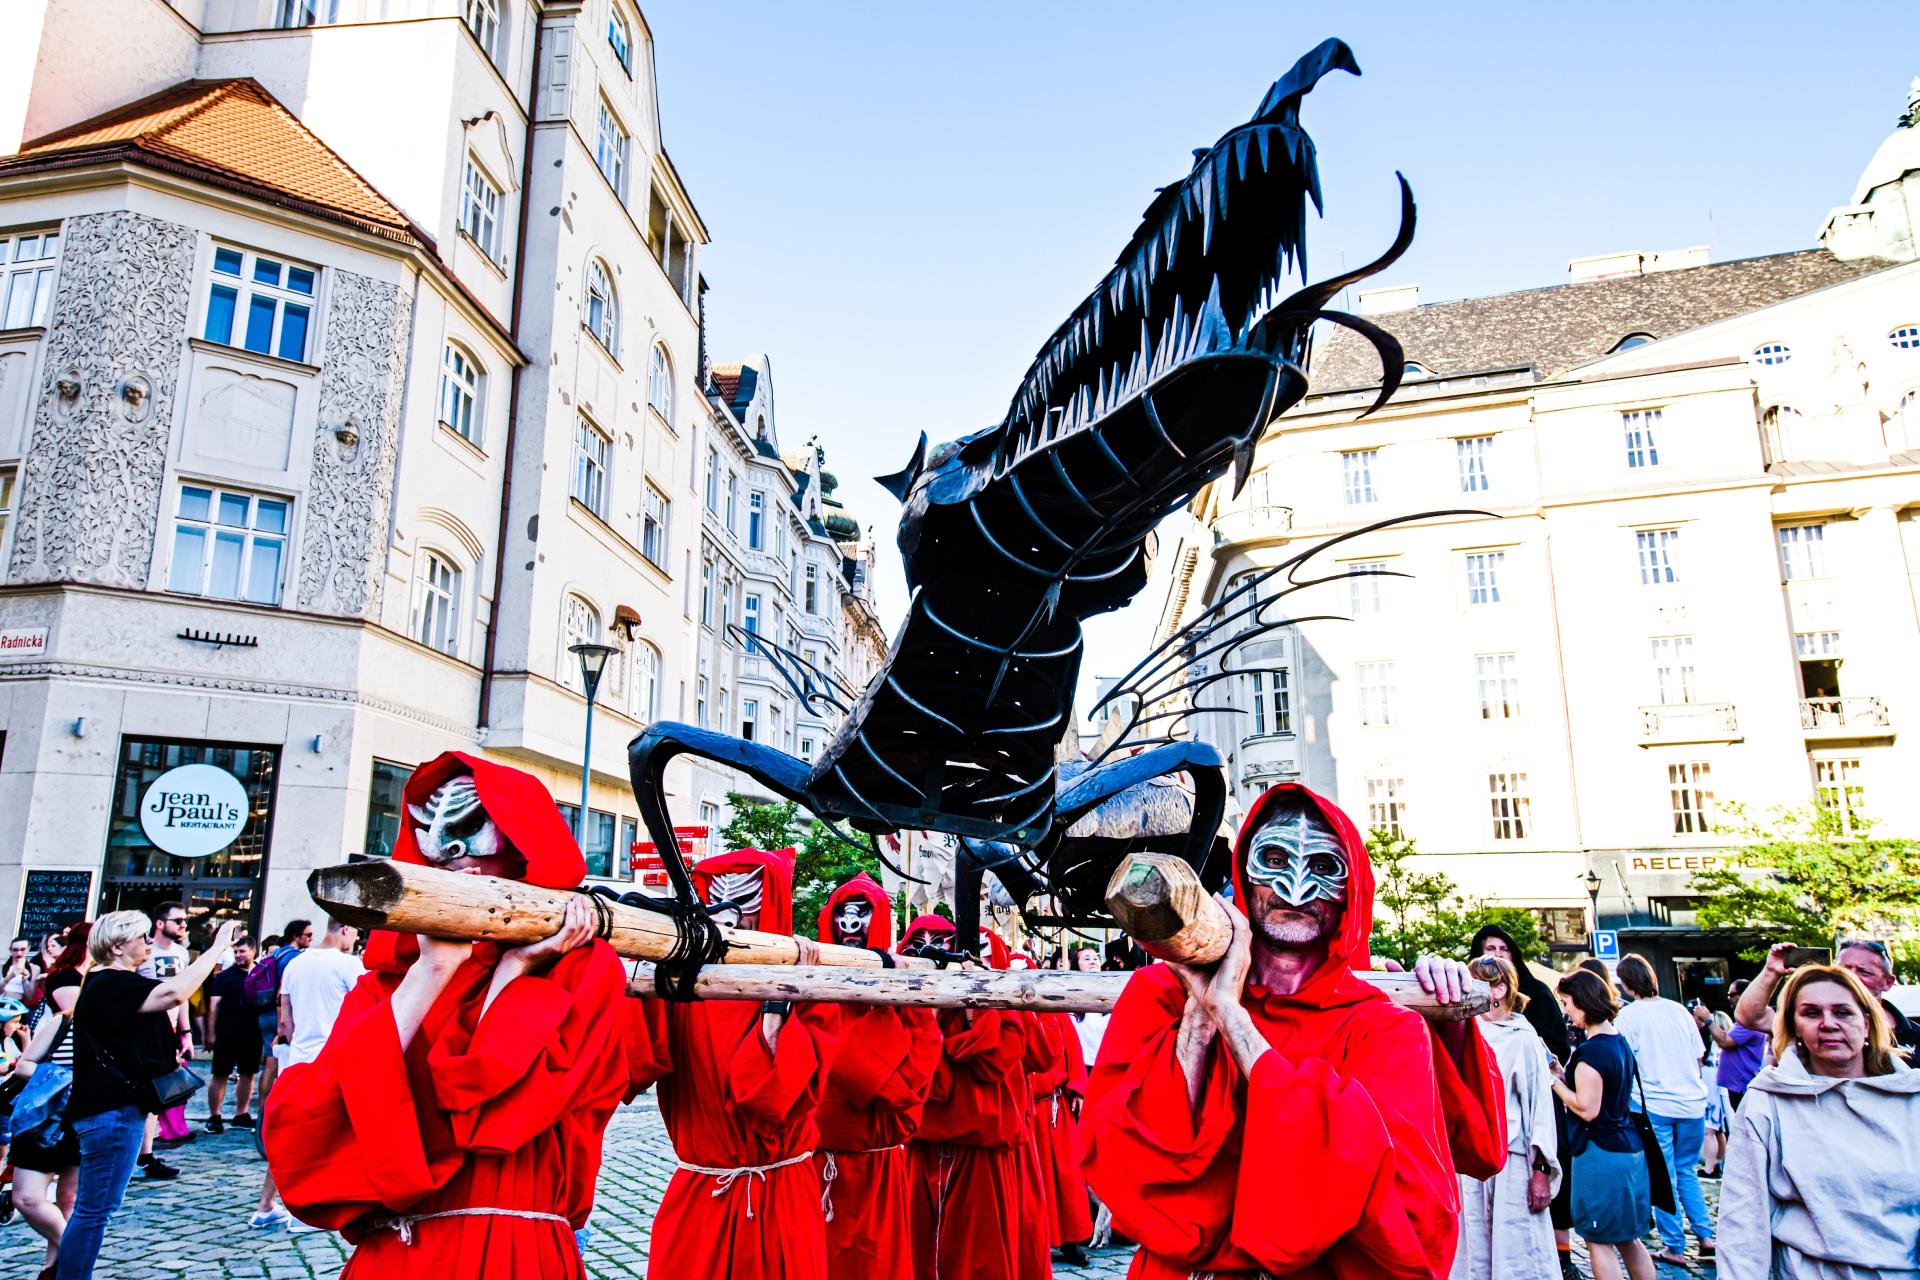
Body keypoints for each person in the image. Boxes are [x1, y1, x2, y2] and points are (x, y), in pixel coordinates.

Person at [1080, 782, 1500, 1280]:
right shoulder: (1160, 995)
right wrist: (1200, 1012)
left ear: (1353, 888)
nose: (1294, 889)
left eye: (1324, 867)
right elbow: (1126, 1164)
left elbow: (1411, 1219)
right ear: (1244, 873)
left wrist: (1234, 1021)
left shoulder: (1385, 1026)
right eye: (1274, 858)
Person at [265, 752, 629, 1278]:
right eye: (425, 829)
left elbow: (490, 1113)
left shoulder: (582, 971)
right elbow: (309, 1125)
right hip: (395, 1254)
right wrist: (432, 968)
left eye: (469, 822)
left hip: (511, 1248)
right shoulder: (381, 984)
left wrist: (515, 970)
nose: (447, 846)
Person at [625, 845, 835, 1280]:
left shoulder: (812, 983)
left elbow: (770, 1102)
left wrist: (780, 1003)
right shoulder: (677, 979)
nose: (735, 918)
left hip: (779, 1195)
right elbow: (632, 1066)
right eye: (717, 898)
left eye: (750, 903)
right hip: (702, 1193)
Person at [60, 909, 242, 1280]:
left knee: (93, 1209)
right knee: (95, 1211)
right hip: (111, 1112)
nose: (147, 943)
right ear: (116, 946)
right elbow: (176, 992)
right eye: (141, 937)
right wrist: (218, 946)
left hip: (109, 1110)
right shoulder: (111, 982)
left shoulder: (108, 982)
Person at [1718, 964, 1920, 1280]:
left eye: (1843, 1012)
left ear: (1866, 1024)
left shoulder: (1911, 1098)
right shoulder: (1768, 1101)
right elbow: (1742, 1218)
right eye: (1811, 1013)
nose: (1828, 1024)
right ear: (1794, 1026)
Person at [810, 873, 940, 1280]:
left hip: (876, 1166)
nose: (851, 925)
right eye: (843, 914)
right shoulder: (811, 980)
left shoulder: (901, 992)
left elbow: (908, 1083)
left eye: (863, 914)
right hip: (812, 1166)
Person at [900, 912, 1031, 1280]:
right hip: (923, 1146)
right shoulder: (908, 1004)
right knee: (921, 1251)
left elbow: (995, 1063)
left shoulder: (1003, 1004)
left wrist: (974, 1013)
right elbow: (919, 1076)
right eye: (919, 940)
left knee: (980, 1257)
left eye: (938, 941)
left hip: (979, 1147)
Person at [1452, 954, 1560, 1280]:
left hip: (1511, 1161)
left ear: (1497, 989)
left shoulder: (1522, 1037)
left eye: (1475, 983)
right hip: (1470, 1160)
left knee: (1516, 1254)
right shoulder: (1463, 1033)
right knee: (1472, 1255)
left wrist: (1541, 1170)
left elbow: (1540, 1108)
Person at [255, 917, 363, 1232]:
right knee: (331, 1139)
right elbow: (364, 1014)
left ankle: (266, 1206)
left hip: (298, 1060)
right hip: (333, 1059)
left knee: (291, 1138)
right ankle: (313, 1210)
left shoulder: (295, 965)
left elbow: (285, 1023)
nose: (355, 938)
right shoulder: (349, 966)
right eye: (355, 931)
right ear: (345, 928)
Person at [1548, 969, 1654, 1280]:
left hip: (1600, 1154)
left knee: (1598, 1241)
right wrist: (1561, 1072)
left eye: (1567, 1003)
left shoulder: (1591, 1051)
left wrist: (1551, 1083)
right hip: (1628, 1148)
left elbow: (1587, 1108)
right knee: (1628, 1238)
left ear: (1583, 1001)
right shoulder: (1618, 1042)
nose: (1566, 1012)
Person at [1611, 953, 1712, 1265]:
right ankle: (1706, 1236)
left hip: (1655, 1104)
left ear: (1627, 984)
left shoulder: (1629, 1017)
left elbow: (1626, 1064)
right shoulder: (1678, 1010)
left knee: (1663, 1174)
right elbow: (1699, 1056)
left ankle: (1674, 1246)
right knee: (1686, 1171)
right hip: (1692, 1103)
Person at [1736, 938, 1920, 1055]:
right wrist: (1771, 972)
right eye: (1844, 969)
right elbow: (1749, 1016)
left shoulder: (1914, 1034)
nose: (1851, 977)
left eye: (1864, 972)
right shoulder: (1811, 1018)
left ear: (1888, 982)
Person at [137, 902, 194, 1151]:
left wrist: (186, 1033)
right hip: (145, 1028)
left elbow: (182, 996)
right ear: (160, 923)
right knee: (146, 1090)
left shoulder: (182, 953)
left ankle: (148, 1150)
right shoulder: (143, 952)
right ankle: (141, 1152)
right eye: (178, 921)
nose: (183, 925)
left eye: (185, 921)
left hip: (169, 1029)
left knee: (161, 1090)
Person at [1469, 925, 1572, 1064]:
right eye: (1491, 949)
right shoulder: (1468, 994)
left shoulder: (1538, 992)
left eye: (1504, 949)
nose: (1498, 954)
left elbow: (1559, 1045)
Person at [203, 936, 260, 1133]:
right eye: (236, 952)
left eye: (242, 951)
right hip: (227, 1031)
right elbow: (213, 1007)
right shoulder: (224, 977)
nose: (238, 955)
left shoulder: (260, 974)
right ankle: (214, 1116)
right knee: (220, 1073)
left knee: (248, 1073)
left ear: (253, 951)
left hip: (253, 1032)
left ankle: (241, 1114)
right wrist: (210, 1033)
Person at [1712, 978, 1767, 1113]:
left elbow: (1725, 1042)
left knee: (1748, 1128)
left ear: (1744, 995)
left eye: (1731, 995)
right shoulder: (1745, 1019)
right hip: (1739, 1085)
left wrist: (1708, 1020)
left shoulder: (1749, 1020)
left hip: (1743, 1085)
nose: (1729, 999)